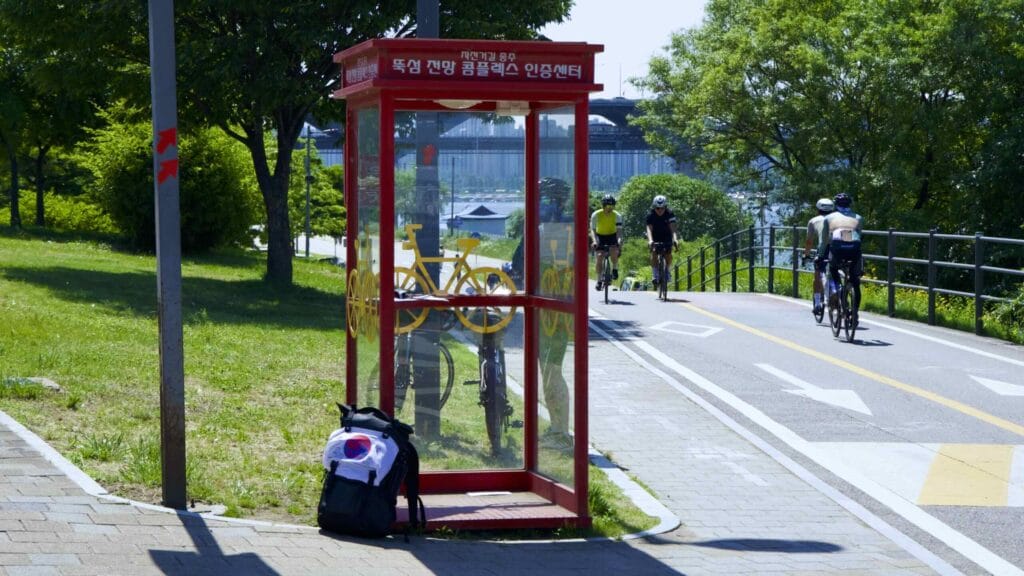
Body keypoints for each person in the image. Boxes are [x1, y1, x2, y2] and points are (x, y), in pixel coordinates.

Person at [819, 193, 864, 325]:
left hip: (838, 249)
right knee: (855, 283)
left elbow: (825, 241)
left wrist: (820, 256)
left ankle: (839, 288)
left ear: (835, 205)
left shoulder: (828, 218)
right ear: (850, 204)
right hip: (854, 249)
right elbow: (859, 235)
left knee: (833, 268)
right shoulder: (859, 218)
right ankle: (855, 312)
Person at [804, 197, 835, 316]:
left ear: (818, 210)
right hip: (840, 247)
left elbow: (809, 242)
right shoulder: (838, 219)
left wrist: (806, 255)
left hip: (824, 249)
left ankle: (817, 303)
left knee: (818, 274)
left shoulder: (813, 221)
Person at [645, 195, 679, 288]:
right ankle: (655, 273)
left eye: (662, 208)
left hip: (666, 236)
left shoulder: (670, 214)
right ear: (654, 207)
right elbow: (649, 229)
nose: (660, 210)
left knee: (668, 254)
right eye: (657, 208)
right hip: (655, 236)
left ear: (665, 207)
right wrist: (650, 240)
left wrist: (675, 239)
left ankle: (667, 271)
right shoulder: (650, 215)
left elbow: (673, 229)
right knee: (654, 253)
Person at [589, 194, 622, 291]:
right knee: (599, 256)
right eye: (608, 206)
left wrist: (619, 240)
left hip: (612, 235)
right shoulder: (596, 214)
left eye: (612, 206)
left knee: (614, 251)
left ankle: (615, 269)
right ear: (603, 206)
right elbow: (592, 230)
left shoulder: (617, 215)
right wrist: (595, 241)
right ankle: (599, 280)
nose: (610, 208)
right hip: (600, 235)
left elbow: (619, 231)